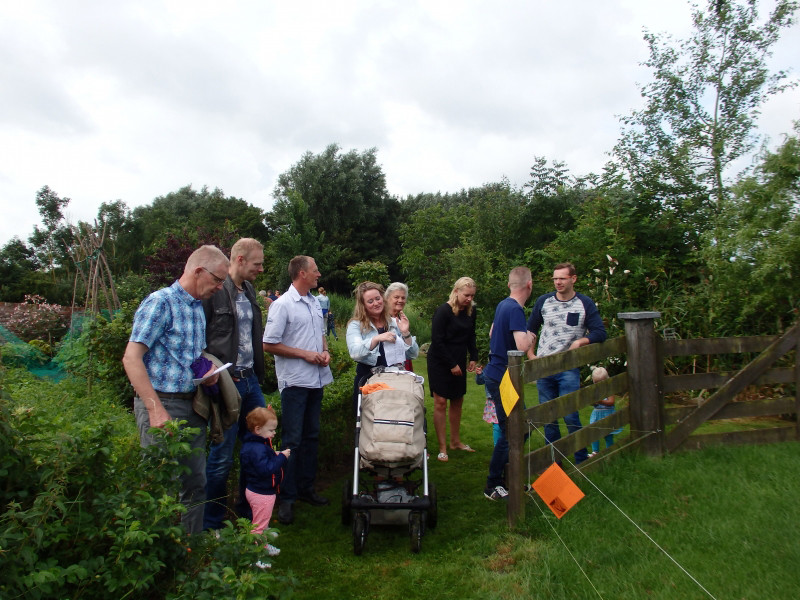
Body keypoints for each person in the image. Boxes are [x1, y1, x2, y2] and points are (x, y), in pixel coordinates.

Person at [122, 245, 230, 534]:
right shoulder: (161, 303)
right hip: (163, 407)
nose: (220, 288)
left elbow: (187, 357)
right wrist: (155, 411)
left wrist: (206, 373)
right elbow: (131, 358)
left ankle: (190, 558)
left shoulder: (197, 309)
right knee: (161, 488)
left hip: (193, 405)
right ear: (198, 271)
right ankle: (159, 562)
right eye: (218, 280)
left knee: (195, 483)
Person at [202, 238, 268, 531]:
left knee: (257, 450)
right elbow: (201, 339)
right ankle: (212, 524)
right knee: (221, 457)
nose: (261, 269)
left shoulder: (250, 290)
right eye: (257, 264)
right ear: (239, 260)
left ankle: (245, 518)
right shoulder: (215, 292)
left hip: (251, 381)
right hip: (228, 383)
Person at [262, 256, 333, 525]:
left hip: (316, 380)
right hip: (294, 384)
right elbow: (268, 344)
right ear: (302, 273)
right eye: (316, 270)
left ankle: (306, 489)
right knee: (293, 440)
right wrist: (304, 354)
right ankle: (287, 498)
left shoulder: (314, 302)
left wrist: (324, 351)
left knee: (312, 437)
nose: (319, 274)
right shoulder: (282, 305)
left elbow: (321, 335)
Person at [527, 262, 607, 465]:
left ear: (573, 279)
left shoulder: (584, 303)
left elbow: (600, 332)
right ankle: (554, 462)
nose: (558, 282)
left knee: (571, 414)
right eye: (555, 278)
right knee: (548, 417)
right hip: (544, 367)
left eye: (562, 278)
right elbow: (530, 329)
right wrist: (530, 354)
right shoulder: (543, 301)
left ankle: (580, 459)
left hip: (568, 368)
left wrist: (580, 341)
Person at [483, 267, 534, 501]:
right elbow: (522, 347)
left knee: (517, 429)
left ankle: (507, 479)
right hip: (502, 377)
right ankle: (493, 484)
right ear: (529, 285)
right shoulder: (515, 309)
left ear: (509, 285)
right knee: (511, 430)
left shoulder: (503, 305)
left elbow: (493, 330)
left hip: (496, 374)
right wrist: (531, 336)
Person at [346, 281, 419, 415]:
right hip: (369, 383)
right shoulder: (356, 325)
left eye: (378, 298)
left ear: (383, 299)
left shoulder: (393, 323)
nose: (376, 303)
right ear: (363, 305)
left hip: (394, 382)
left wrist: (405, 333)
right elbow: (355, 353)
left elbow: (413, 354)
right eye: (370, 301)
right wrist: (376, 339)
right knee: (371, 424)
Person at [426, 277, 479, 461]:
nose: (469, 299)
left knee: (457, 400)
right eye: (466, 295)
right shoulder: (443, 311)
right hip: (440, 361)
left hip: (458, 358)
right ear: (456, 291)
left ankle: (455, 441)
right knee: (441, 402)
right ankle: (442, 447)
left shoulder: (471, 312)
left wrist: (473, 357)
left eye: (472, 295)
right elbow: (437, 341)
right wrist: (451, 364)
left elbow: (471, 336)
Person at [240, 406, 290, 558]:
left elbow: (261, 462)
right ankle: (255, 556)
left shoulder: (255, 446)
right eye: (271, 430)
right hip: (262, 493)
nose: (274, 433)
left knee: (262, 522)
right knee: (259, 526)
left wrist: (274, 454)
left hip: (257, 489)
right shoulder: (258, 449)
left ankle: (264, 544)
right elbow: (267, 469)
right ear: (258, 429)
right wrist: (281, 457)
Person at [588, 366, 621, 456]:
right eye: (596, 383)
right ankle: (595, 451)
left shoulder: (609, 389)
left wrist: (601, 401)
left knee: (608, 433)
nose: (598, 385)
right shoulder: (595, 390)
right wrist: (594, 402)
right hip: (597, 414)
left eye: (601, 382)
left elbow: (611, 402)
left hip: (607, 414)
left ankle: (609, 451)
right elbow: (593, 403)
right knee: (594, 432)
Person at [385, 282, 415, 371]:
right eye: (396, 297)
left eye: (403, 298)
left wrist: (406, 332)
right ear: (387, 298)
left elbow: (413, 353)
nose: (400, 300)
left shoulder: (401, 319)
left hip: (403, 365)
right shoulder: (381, 320)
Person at [475, 366, 501, 446]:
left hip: (506, 399)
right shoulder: (490, 367)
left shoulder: (507, 366)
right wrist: (479, 374)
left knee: (506, 425)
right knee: (497, 425)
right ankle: (497, 446)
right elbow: (480, 381)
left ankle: (505, 446)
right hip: (493, 400)